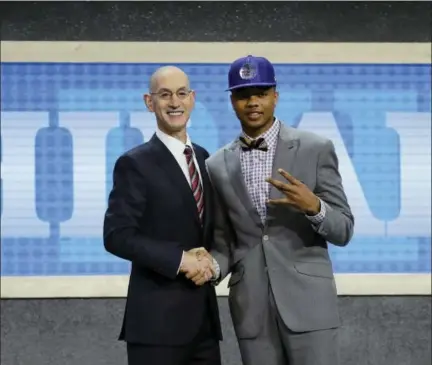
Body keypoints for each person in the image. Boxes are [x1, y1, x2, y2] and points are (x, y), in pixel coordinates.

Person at [204, 55, 355, 365]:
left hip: (310, 305)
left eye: (260, 93)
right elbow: (224, 242)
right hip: (251, 309)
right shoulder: (216, 165)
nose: (252, 102)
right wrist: (209, 268)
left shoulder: (315, 148)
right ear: (232, 101)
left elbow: (344, 229)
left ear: (275, 96)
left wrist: (313, 207)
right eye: (244, 95)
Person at [103, 66, 222, 365]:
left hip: (204, 326)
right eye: (164, 95)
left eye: (182, 94)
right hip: (156, 327)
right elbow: (117, 235)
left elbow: (215, 231)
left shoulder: (207, 160)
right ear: (149, 102)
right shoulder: (135, 163)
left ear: (192, 99)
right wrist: (182, 260)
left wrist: (211, 263)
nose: (174, 103)